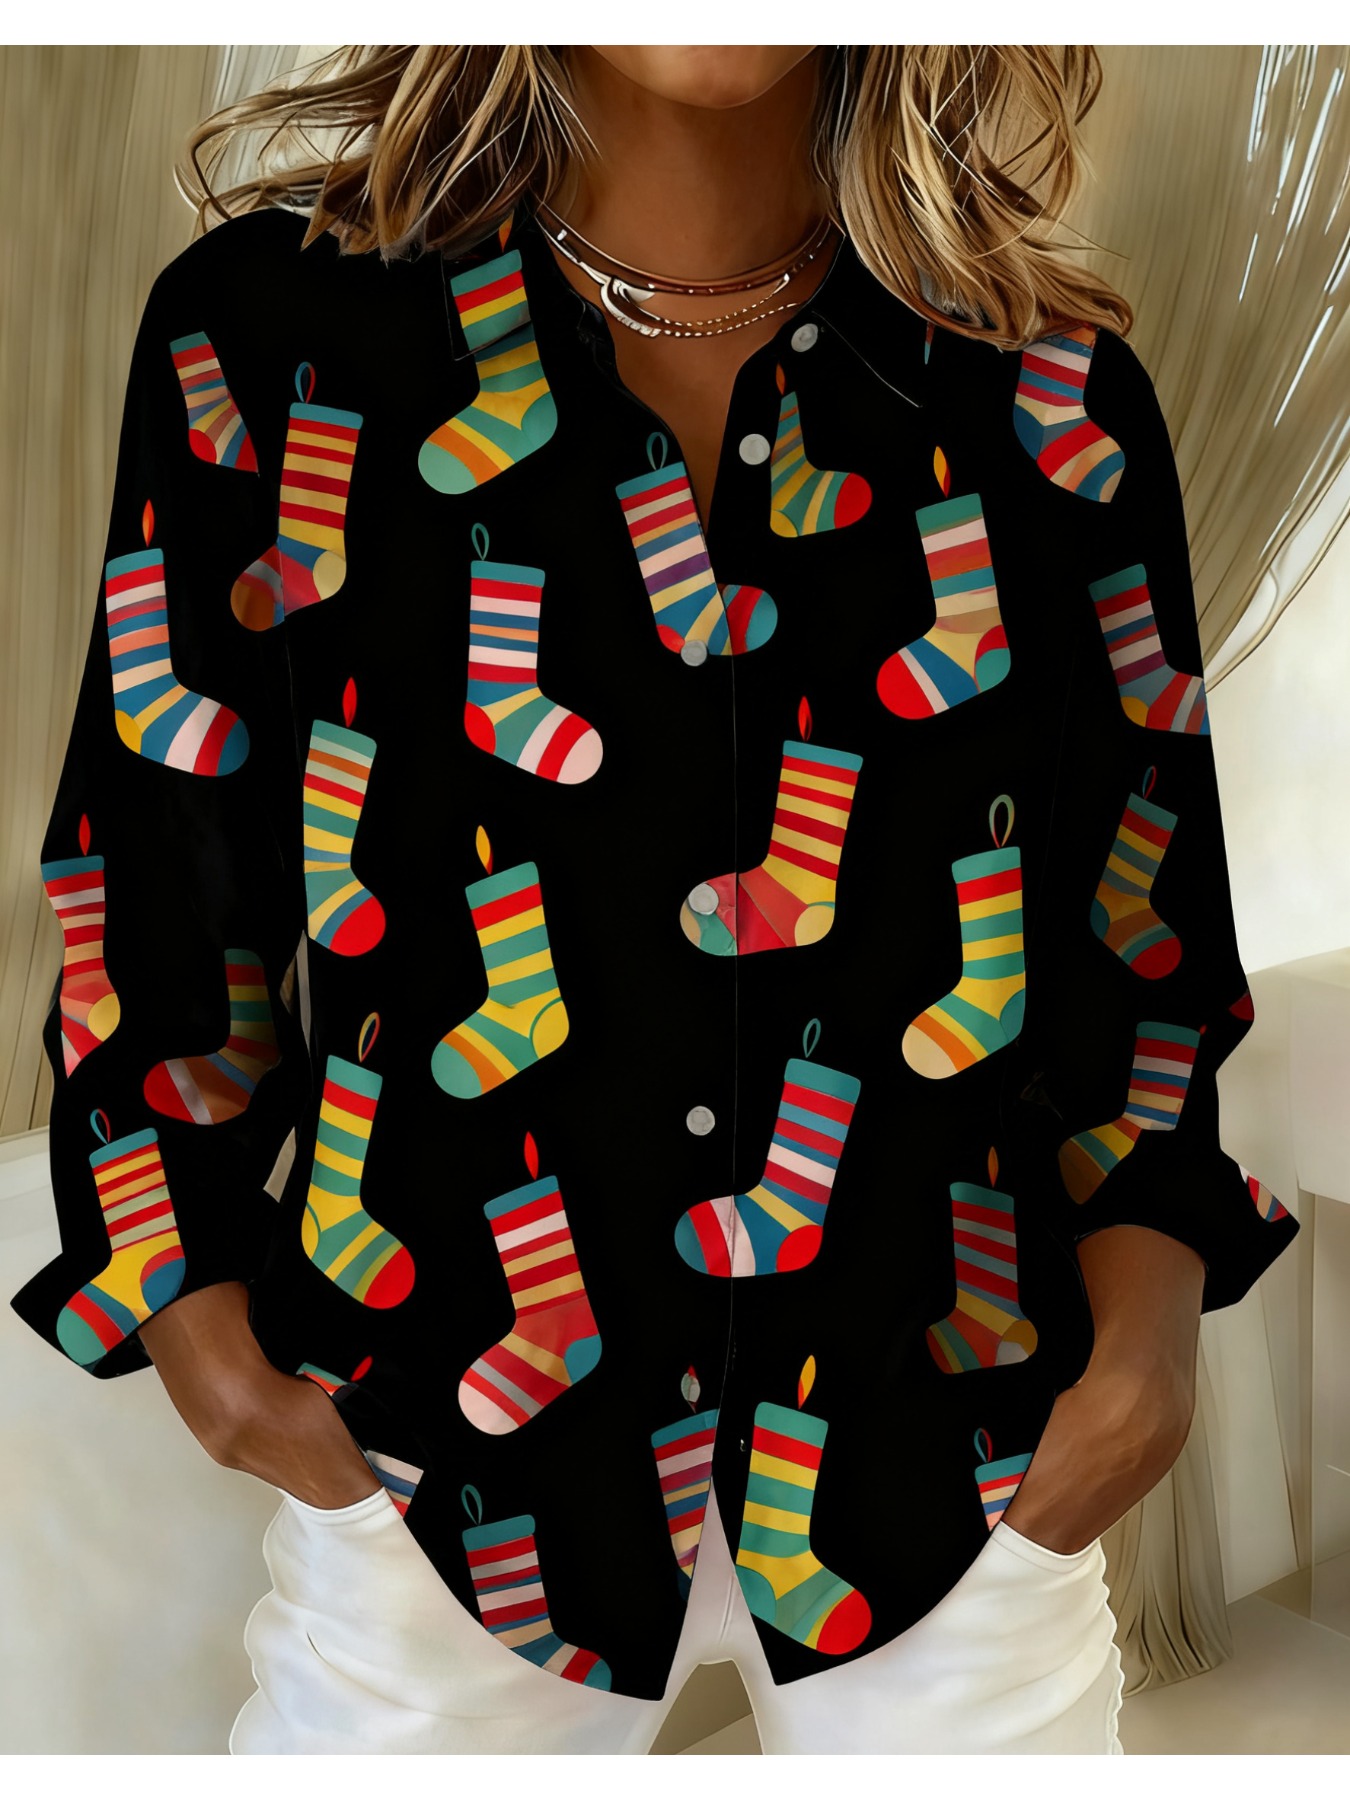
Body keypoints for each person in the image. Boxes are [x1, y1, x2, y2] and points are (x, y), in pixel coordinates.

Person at [12, 44, 1300, 1755]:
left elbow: (1138, 936)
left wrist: (1143, 1356)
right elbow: (158, 864)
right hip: (437, 1449)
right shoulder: (271, 335)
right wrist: (189, 1312)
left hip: (956, 1442)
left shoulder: (1044, 388)